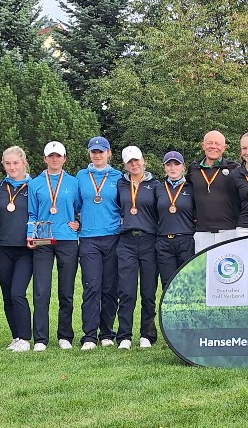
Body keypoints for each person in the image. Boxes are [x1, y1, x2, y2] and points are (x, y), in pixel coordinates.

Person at [27, 141, 81, 352]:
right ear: (45, 159)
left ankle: (65, 335)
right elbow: (31, 213)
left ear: (64, 158)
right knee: (41, 290)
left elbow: (79, 209)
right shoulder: (35, 183)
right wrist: (29, 234)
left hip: (67, 238)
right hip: (42, 239)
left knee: (66, 290)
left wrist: (78, 223)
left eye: (58, 156)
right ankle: (40, 338)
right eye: (51, 156)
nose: (55, 159)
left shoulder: (74, 182)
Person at [76, 136, 123, 350]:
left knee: (110, 288)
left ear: (109, 153)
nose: (97, 155)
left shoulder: (118, 177)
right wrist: (74, 221)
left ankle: (106, 333)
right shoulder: (81, 176)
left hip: (113, 236)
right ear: (89, 154)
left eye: (101, 151)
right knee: (91, 286)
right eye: (94, 151)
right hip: (88, 238)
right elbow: (75, 204)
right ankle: (89, 335)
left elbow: (125, 205)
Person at [116, 146, 161, 349]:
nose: (134, 164)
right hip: (126, 241)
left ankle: (147, 334)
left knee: (149, 291)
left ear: (143, 160)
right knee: (126, 291)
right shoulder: (120, 184)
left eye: (137, 160)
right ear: (125, 164)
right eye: (130, 161)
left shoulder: (156, 185)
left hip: (150, 240)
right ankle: (124, 335)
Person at [0, 146, 33, 353]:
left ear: (24, 163)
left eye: (15, 163)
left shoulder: (34, 186)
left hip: (26, 249)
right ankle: (16, 336)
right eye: (8, 163)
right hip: (2, 248)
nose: (12, 167)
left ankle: (26, 338)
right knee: (7, 295)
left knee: (18, 293)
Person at [189, 131, 240, 252]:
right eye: (209, 143)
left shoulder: (234, 168)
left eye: (217, 144)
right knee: (204, 270)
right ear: (203, 146)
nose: (213, 146)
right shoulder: (193, 169)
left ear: (224, 148)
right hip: (202, 233)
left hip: (229, 232)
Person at [157, 151, 196, 291]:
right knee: (168, 286)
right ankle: (169, 313)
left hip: (185, 240)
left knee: (186, 283)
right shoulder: (158, 188)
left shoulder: (191, 188)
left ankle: (187, 313)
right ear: (164, 167)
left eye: (176, 164)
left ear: (183, 167)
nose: (173, 168)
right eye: (169, 164)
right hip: (164, 242)